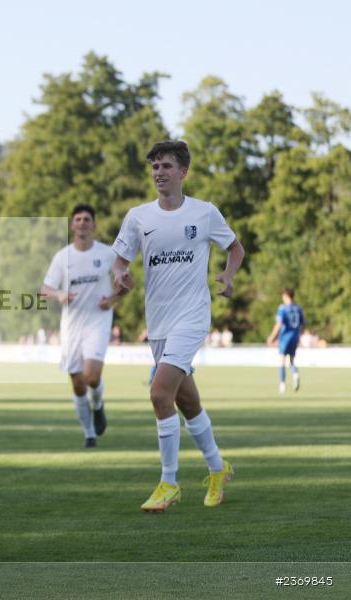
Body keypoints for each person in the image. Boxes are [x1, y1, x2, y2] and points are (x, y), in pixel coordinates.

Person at [111, 140, 245, 512]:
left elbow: (236, 247)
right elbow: (119, 261)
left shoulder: (204, 213)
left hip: (192, 315)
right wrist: (120, 278)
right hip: (158, 321)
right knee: (186, 402)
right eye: (155, 166)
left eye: (166, 166)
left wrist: (229, 276)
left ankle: (168, 482)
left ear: (183, 172)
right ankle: (218, 468)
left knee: (158, 395)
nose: (159, 173)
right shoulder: (138, 217)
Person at [41, 204, 119, 448]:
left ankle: (98, 405)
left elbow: (127, 283)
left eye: (87, 219)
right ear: (72, 225)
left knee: (91, 376)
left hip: (98, 321)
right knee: (77, 383)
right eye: (78, 219)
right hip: (71, 327)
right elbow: (45, 290)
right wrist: (60, 295)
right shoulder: (63, 257)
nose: (82, 223)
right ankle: (89, 433)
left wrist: (113, 299)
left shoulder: (107, 254)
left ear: (94, 225)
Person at [266, 288, 304, 393]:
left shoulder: (283, 309)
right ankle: (295, 373)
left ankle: (282, 385)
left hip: (285, 337)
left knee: (282, 361)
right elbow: (301, 324)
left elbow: (279, 324)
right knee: (291, 360)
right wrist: (298, 337)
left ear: (286, 296)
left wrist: (272, 337)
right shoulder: (298, 308)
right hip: (295, 336)